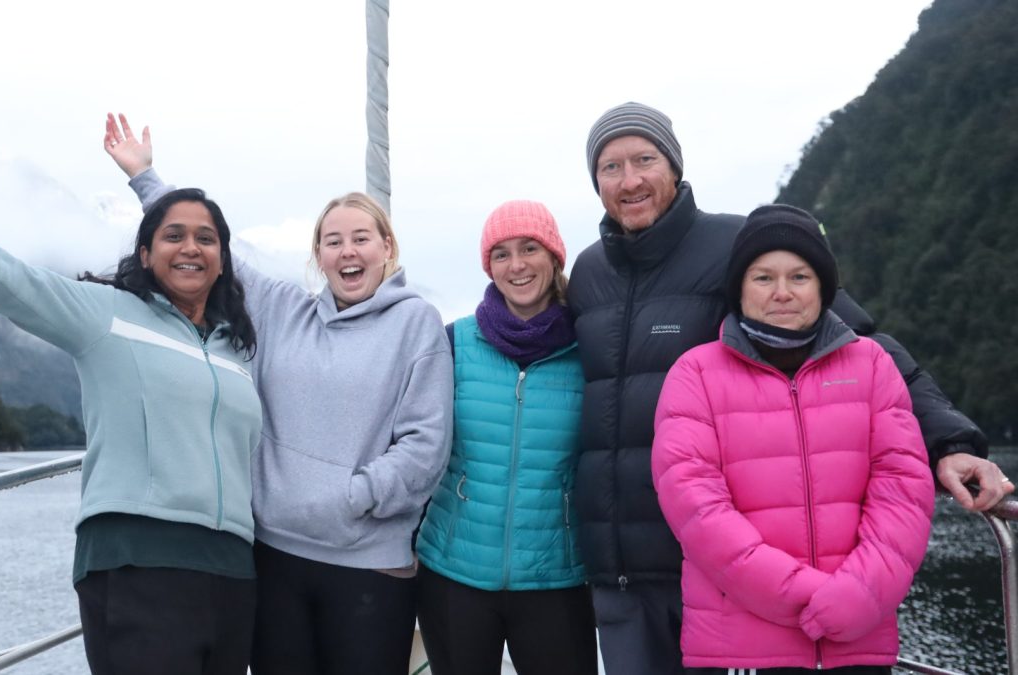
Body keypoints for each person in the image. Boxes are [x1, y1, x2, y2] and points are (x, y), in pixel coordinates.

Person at [566, 101, 1011, 675]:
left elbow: (855, 342)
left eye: (644, 160)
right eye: (610, 167)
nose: (630, 180)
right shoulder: (588, 272)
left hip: (715, 569)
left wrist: (950, 441)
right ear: (595, 182)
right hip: (620, 564)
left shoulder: (734, 248)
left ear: (674, 166)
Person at [104, 113, 454, 675]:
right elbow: (211, 247)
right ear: (318, 256)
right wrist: (145, 177)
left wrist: (353, 496)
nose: (348, 253)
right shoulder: (283, 310)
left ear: (386, 247)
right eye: (333, 241)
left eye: (361, 239)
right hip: (273, 558)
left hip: (370, 565)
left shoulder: (417, 324)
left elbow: (425, 445)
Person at [0, 188, 262, 674]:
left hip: (232, 569)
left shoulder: (234, 350)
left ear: (222, 262)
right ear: (146, 254)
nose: (191, 247)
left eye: (206, 238)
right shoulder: (104, 315)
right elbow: (1, 277)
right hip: (136, 560)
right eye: (174, 235)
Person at [652, 203, 936, 673]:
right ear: (738, 288)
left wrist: (857, 595)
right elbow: (694, 503)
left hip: (856, 633)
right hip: (740, 645)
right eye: (763, 278)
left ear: (822, 286)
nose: (782, 293)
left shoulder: (870, 363)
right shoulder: (696, 373)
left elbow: (903, 486)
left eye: (799, 277)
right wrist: (802, 594)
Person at [414, 200, 597, 675]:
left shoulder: (589, 348)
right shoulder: (452, 343)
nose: (516, 265)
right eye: (501, 254)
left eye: (529, 248)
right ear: (488, 266)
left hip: (556, 577)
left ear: (555, 256)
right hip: (454, 572)